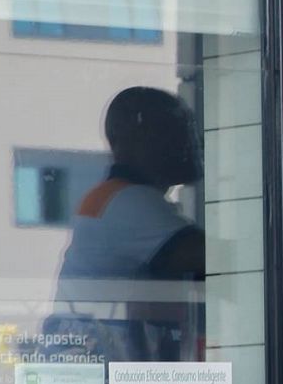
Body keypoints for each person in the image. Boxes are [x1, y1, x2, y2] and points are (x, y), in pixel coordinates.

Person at [49, 85, 206, 365]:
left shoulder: (108, 197)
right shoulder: (126, 201)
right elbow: (216, 260)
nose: (192, 143)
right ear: (138, 140)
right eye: (175, 131)